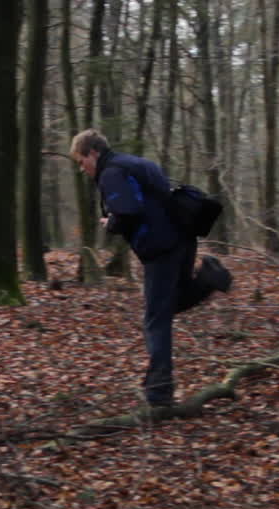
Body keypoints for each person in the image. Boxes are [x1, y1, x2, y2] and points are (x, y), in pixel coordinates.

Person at [70, 129, 232, 409]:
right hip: (183, 239)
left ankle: (159, 391)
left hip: (161, 248)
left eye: (81, 160)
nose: (81, 168)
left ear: (93, 153)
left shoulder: (111, 172)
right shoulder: (135, 162)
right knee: (169, 306)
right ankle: (207, 277)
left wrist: (111, 224)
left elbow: (128, 212)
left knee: (155, 319)